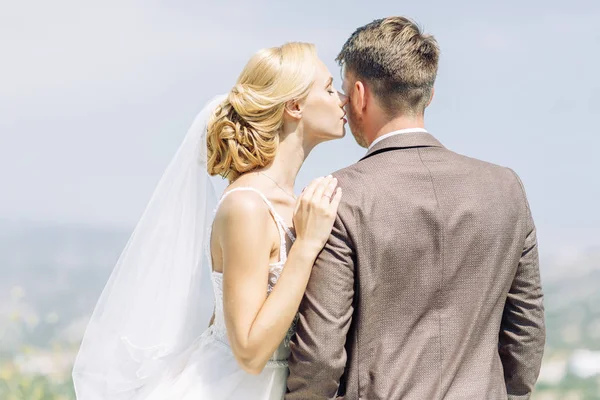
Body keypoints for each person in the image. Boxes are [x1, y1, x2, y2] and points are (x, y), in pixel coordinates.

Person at [286, 17, 546, 400]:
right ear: (429, 94)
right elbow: (526, 334)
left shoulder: (336, 196)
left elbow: (321, 356)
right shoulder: (506, 187)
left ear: (359, 94)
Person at [73, 42, 348, 400]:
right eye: (328, 88)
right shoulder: (247, 206)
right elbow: (248, 352)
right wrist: (307, 247)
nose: (341, 98)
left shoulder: (292, 205)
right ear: (294, 106)